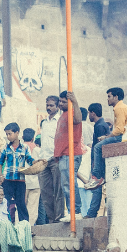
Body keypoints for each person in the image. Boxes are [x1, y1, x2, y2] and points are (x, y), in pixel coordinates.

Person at [85, 87, 127, 193]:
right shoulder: (120, 107)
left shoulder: (119, 108)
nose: (107, 99)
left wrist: (106, 137)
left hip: (125, 136)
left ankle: (97, 177)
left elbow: (119, 129)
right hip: (126, 135)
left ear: (116, 97)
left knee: (97, 147)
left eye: (109, 96)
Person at [55, 91, 83, 222]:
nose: (60, 104)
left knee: (69, 183)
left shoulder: (72, 112)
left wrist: (75, 102)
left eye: (63, 102)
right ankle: (72, 211)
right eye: (60, 101)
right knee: (66, 184)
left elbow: (78, 119)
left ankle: (76, 212)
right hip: (63, 155)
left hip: (70, 153)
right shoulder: (63, 115)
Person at [0, 122, 32, 224]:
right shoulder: (5, 148)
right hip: (8, 180)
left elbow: (29, 159)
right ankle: (5, 224)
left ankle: (24, 227)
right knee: (5, 203)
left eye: (10, 134)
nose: (8, 136)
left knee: (21, 204)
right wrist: (1, 175)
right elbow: (0, 162)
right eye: (7, 134)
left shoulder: (25, 147)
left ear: (17, 133)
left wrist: (35, 163)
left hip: (20, 180)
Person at [37, 96, 63, 224]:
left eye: (52, 105)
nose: (48, 108)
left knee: (58, 191)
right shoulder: (44, 122)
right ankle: (52, 220)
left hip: (56, 158)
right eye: (47, 105)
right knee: (45, 193)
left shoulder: (60, 120)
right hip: (43, 160)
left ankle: (58, 219)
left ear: (57, 106)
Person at [83, 103, 112, 218]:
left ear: (92, 113)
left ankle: (92, 213)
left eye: (89, 113)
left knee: (96, 188)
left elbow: (100, 147)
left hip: (99, 163)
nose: (89, 115)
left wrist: (96, 165)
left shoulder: (99, 126)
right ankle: (93, 212)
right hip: (100, 162)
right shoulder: (101, 124)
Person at [22, 127, 41, 224]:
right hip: (35, 182)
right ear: (33, 138)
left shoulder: (19, 148)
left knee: (20, 206)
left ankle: (19, 226)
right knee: (32, 208)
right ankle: (29, 228)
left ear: (22, 137)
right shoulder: (37, 150)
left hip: (21, 182)